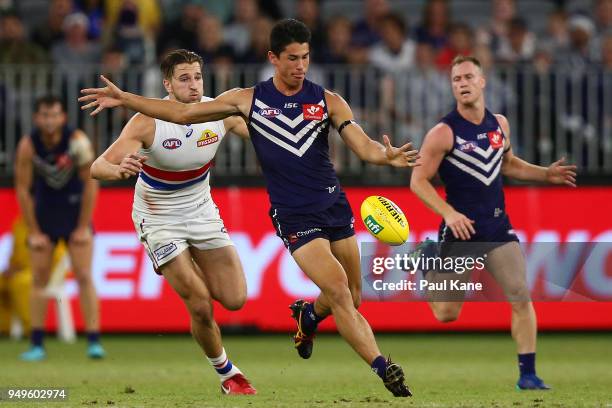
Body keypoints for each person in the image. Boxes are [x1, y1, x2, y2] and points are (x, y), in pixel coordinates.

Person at [79, 19, 419, 397]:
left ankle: (308, 316)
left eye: (305, 57)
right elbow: (164, 126)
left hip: (294, 206)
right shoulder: (230, 104)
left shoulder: (325, 101)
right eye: (293, 58)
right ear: (273, 58)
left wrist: (384, 156)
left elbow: (362, 144)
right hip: (184, 216)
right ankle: (375, 367)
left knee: (333, 296)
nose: (301, 65)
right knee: (211, 300)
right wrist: (124, 105)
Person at [88, 49, 256, 395]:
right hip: (158, 216)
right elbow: (97, 166)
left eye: (197, 77)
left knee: (236, 298)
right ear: (167, 84)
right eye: (184, 78)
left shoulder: (219, 112)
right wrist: (117, 170)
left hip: (201, 211)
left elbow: (265, 138)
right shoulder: (146, 121)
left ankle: (179, 261)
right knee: (199, 302)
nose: (193, 85)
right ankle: (228, 374)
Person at [409, 55, 577, 390]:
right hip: (461, 231)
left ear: (482, 81)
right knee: (446, 314)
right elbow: (417, 181)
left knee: (519, 294)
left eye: (469, 77)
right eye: (456, 79)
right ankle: (426, 263)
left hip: (497, 227)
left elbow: (508, 164)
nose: (463, 83)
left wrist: (545, 174)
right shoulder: (443, 132)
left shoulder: (499, 124)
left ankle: (527, 374)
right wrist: (449, 214)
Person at [14, 95, 104, 360]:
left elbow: (91, 182)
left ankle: (94, 342)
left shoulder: (77, 141)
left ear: (63, 117)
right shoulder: (28, 145)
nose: (50, 120)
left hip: (75, 212)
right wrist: (33, 231)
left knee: (84, 276)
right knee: (39, 279)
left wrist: (83, 226)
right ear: (36, 118)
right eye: (44, 115)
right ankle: (37, 344)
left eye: (54, 115)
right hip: (45, 215)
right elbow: (22, 189)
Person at [0, 216, 68, 338]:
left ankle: (32, 328)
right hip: (21, 270)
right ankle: (4, 328)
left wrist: (42, 270)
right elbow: (15, 255)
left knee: (22, 282)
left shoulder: (52, 224)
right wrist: (11, 268)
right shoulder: (19, 225)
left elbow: (59, 258)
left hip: (44, 272)